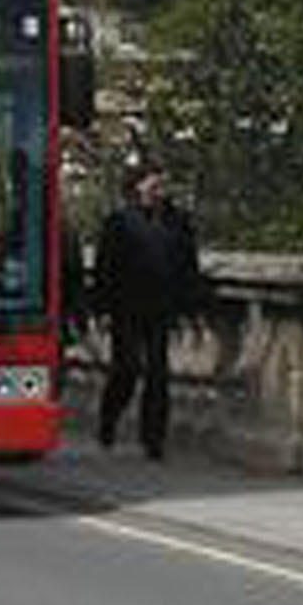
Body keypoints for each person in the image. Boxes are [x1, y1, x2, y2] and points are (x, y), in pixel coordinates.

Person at [90, 161, 201, 460]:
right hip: (126, 307)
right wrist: (101, 308)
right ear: (138, 187)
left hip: (161, 307)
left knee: (158, 374)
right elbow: (105, 268)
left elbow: (188, 265)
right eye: (153, 185)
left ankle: (153, 439)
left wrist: (190, 307)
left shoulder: (178, 221)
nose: (159, 191)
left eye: (162, 186)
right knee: (126, 369)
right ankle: (108, 418)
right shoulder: (120, 221)